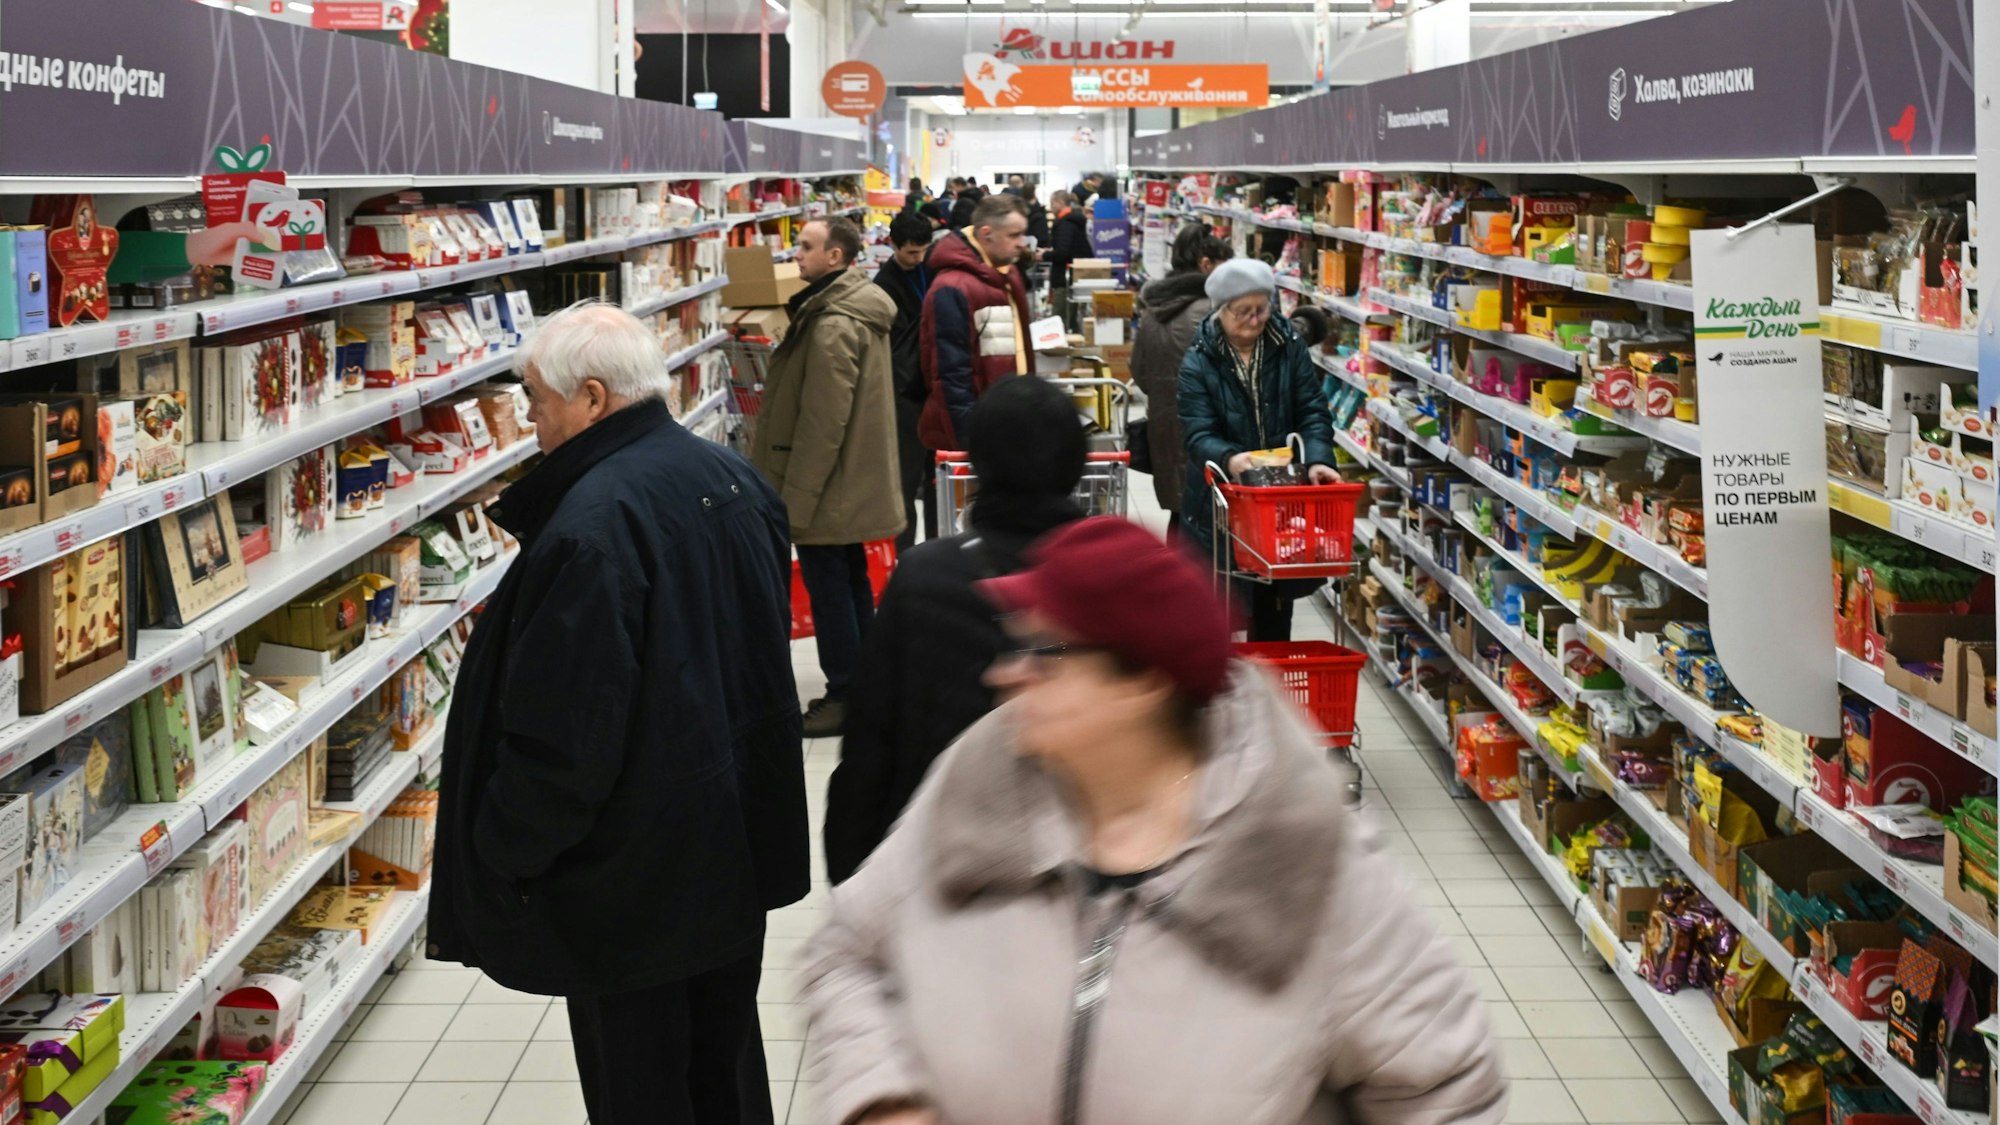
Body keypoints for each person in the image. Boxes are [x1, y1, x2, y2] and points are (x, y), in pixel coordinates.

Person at [803, 517, 1506, 1125]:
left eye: (1046, 652)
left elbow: (1449, 1088)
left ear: (1143, 681)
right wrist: (883, 1099)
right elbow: (847, 954)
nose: (1007, 674)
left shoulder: (1303, 865)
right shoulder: (981, 787)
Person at [430, 301, 808, 1125]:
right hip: (729, 842)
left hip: (632, 875)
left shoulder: (591, 528)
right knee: (725, 1064)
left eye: (535, 398)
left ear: (593, 398)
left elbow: (566, 736)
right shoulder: (733, 478)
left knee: (640, 1082)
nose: (529, 419)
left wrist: (502, 847)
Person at [822, 375, 1087, 883]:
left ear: (978, 464)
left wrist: (853, 874)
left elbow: (871, 742)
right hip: (1076, 865)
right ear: (1075, 466)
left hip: (941, 863)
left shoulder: (924, 576)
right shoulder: (1115, 577)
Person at [750, 216, 904, 738]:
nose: (797, 253)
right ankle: (865, 684)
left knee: (832, 591)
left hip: (828, 487)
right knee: (852, 583)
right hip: (848, 483)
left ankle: (844, 693)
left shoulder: (834, 324)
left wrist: (795, 502)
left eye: (807, 246)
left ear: (835, 257)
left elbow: (822, 425)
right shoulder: (849, 309)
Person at [1178, 257, 1340, 642]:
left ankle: (1271, 688)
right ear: (1221, 310)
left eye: (1262, 308)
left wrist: (1318, 459)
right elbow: (1197, 432)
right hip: (1224, 502)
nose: (1255, 319)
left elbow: (1312, 411)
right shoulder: (1198, 361)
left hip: (1282, 502)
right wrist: (1230, 458)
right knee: (1222, 611)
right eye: (1243, 311)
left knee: (1274, 607)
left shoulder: (1288, 347)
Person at [1131, 225, 1233, 540]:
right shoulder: (1215, 312)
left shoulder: (1152, 311)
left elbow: (1140, 372)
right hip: (1212, 432)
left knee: (1181, 514)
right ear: (1206, 265)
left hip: (1164, 427)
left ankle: (1177, 582)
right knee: (1215, 525)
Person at [918, 192, 1031, 453]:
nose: (1021, 243)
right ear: (987, 233)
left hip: (1007, 427)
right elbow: (950, 377)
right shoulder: (952, 289)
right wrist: (968, 444)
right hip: (978, 439)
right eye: (1014, 235)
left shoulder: (1006, 274)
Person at [875, 211, 937, 550]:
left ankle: (938, 548)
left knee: (936, 477)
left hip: (933, 386)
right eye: (910, 252)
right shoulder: (885, 284)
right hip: (904, 393)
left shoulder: (933, 268)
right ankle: (905, 554)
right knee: (905, 477)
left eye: (922, 250)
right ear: (893, 245)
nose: (917, 258)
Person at [1048, 189, 1093, 328]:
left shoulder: (1065, 224)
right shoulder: (1072, 221)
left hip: (1065, 277)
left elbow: (1062, 252)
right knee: (1069, 315)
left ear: (1060, 203)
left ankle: (1062, 347)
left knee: (1060, 315)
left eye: (1052, 203)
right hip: (1073, 276)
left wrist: (1044, 255)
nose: (1051, 207)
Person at [1023, 184, 1049, 251]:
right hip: (1039, 247)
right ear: (1034, 192)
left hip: (1024, 246)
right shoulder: (1039, 210)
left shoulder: (1020, 210)